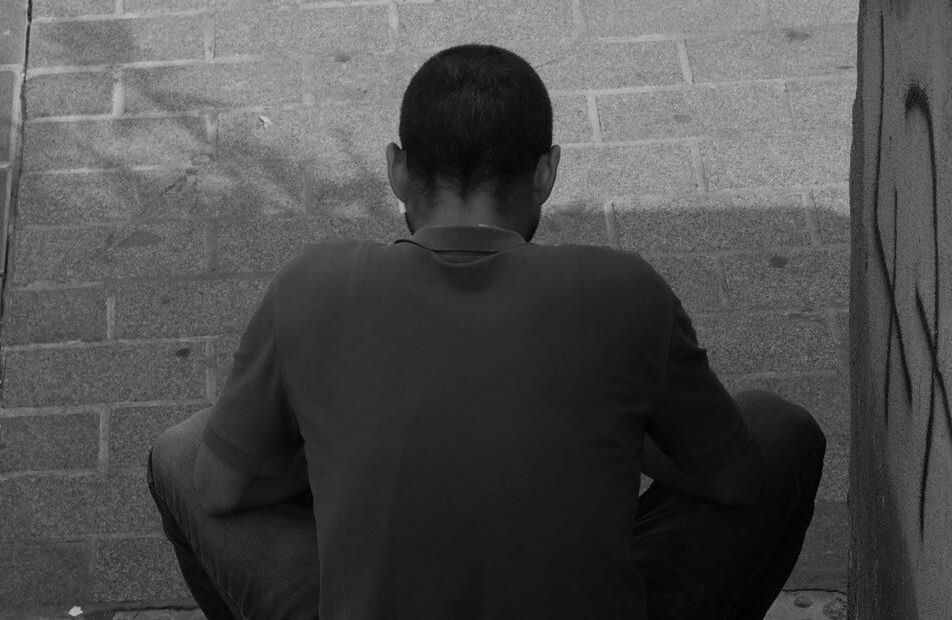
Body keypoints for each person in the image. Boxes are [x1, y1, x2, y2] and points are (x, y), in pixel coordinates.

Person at [146, 44, 826, 620]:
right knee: (779, 429)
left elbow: (221, 489)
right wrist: (623, 438)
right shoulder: (624, 290)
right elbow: (736, 478)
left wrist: (335, 448)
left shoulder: (314, 283)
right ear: (547, 172)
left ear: (397, 168)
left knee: (182, 452)